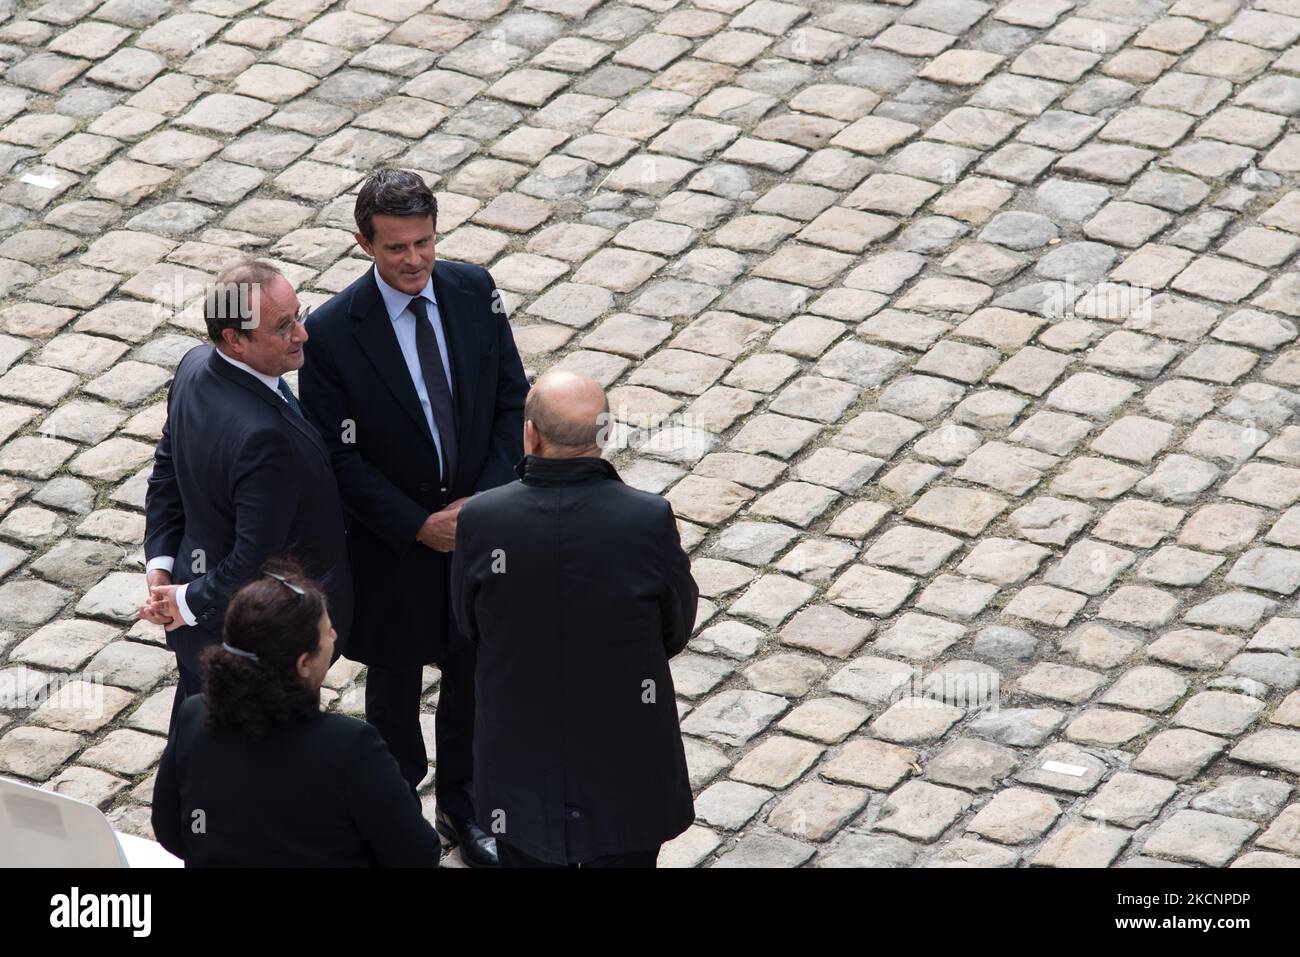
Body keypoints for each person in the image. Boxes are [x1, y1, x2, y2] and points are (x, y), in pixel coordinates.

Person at [298, 168, 528, 868]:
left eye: (424, 242)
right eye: (396, 247)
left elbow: (510, 401)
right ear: (363, 243)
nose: (414, 260)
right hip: (392, 551)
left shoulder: (473, 289)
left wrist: (481, 504)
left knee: (473, 679)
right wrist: (416, 523)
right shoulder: (334, 332)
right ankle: (395, 810)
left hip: (475, 534)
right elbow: (337, 457)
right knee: (393, 692)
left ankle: (464, 805)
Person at [450, 372, 699, 868]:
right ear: (606, 435)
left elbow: (466, 622)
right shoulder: (646, 520)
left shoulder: (481, 518)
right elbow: (675, 625)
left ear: (530, 434)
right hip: (624, 757)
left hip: (520, 755)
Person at [141, 260, 352, 732]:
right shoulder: (263, 437)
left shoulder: (195, 365)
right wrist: (188, 600)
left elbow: (165, 472)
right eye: (283, 327)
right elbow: (253, 557)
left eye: (300, 314)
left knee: (192, 729)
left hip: (199, 628)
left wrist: (161, 565)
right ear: (235, 339)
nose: (303, 335)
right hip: (256, 640)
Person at [151, 564, 442, 867]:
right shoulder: (351, 747)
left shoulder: (193, 715)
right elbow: (419, 854)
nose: (333, 633)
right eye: (326, 630)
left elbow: (170, 831)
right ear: (303, 663)